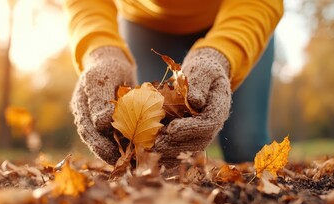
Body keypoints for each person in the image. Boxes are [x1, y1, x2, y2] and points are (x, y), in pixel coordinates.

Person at [65, 0, 284, 166]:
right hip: (145, 27)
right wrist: (101, 52)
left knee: (246, 145)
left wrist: (223, 53)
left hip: (239, 15)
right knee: (153, 147)